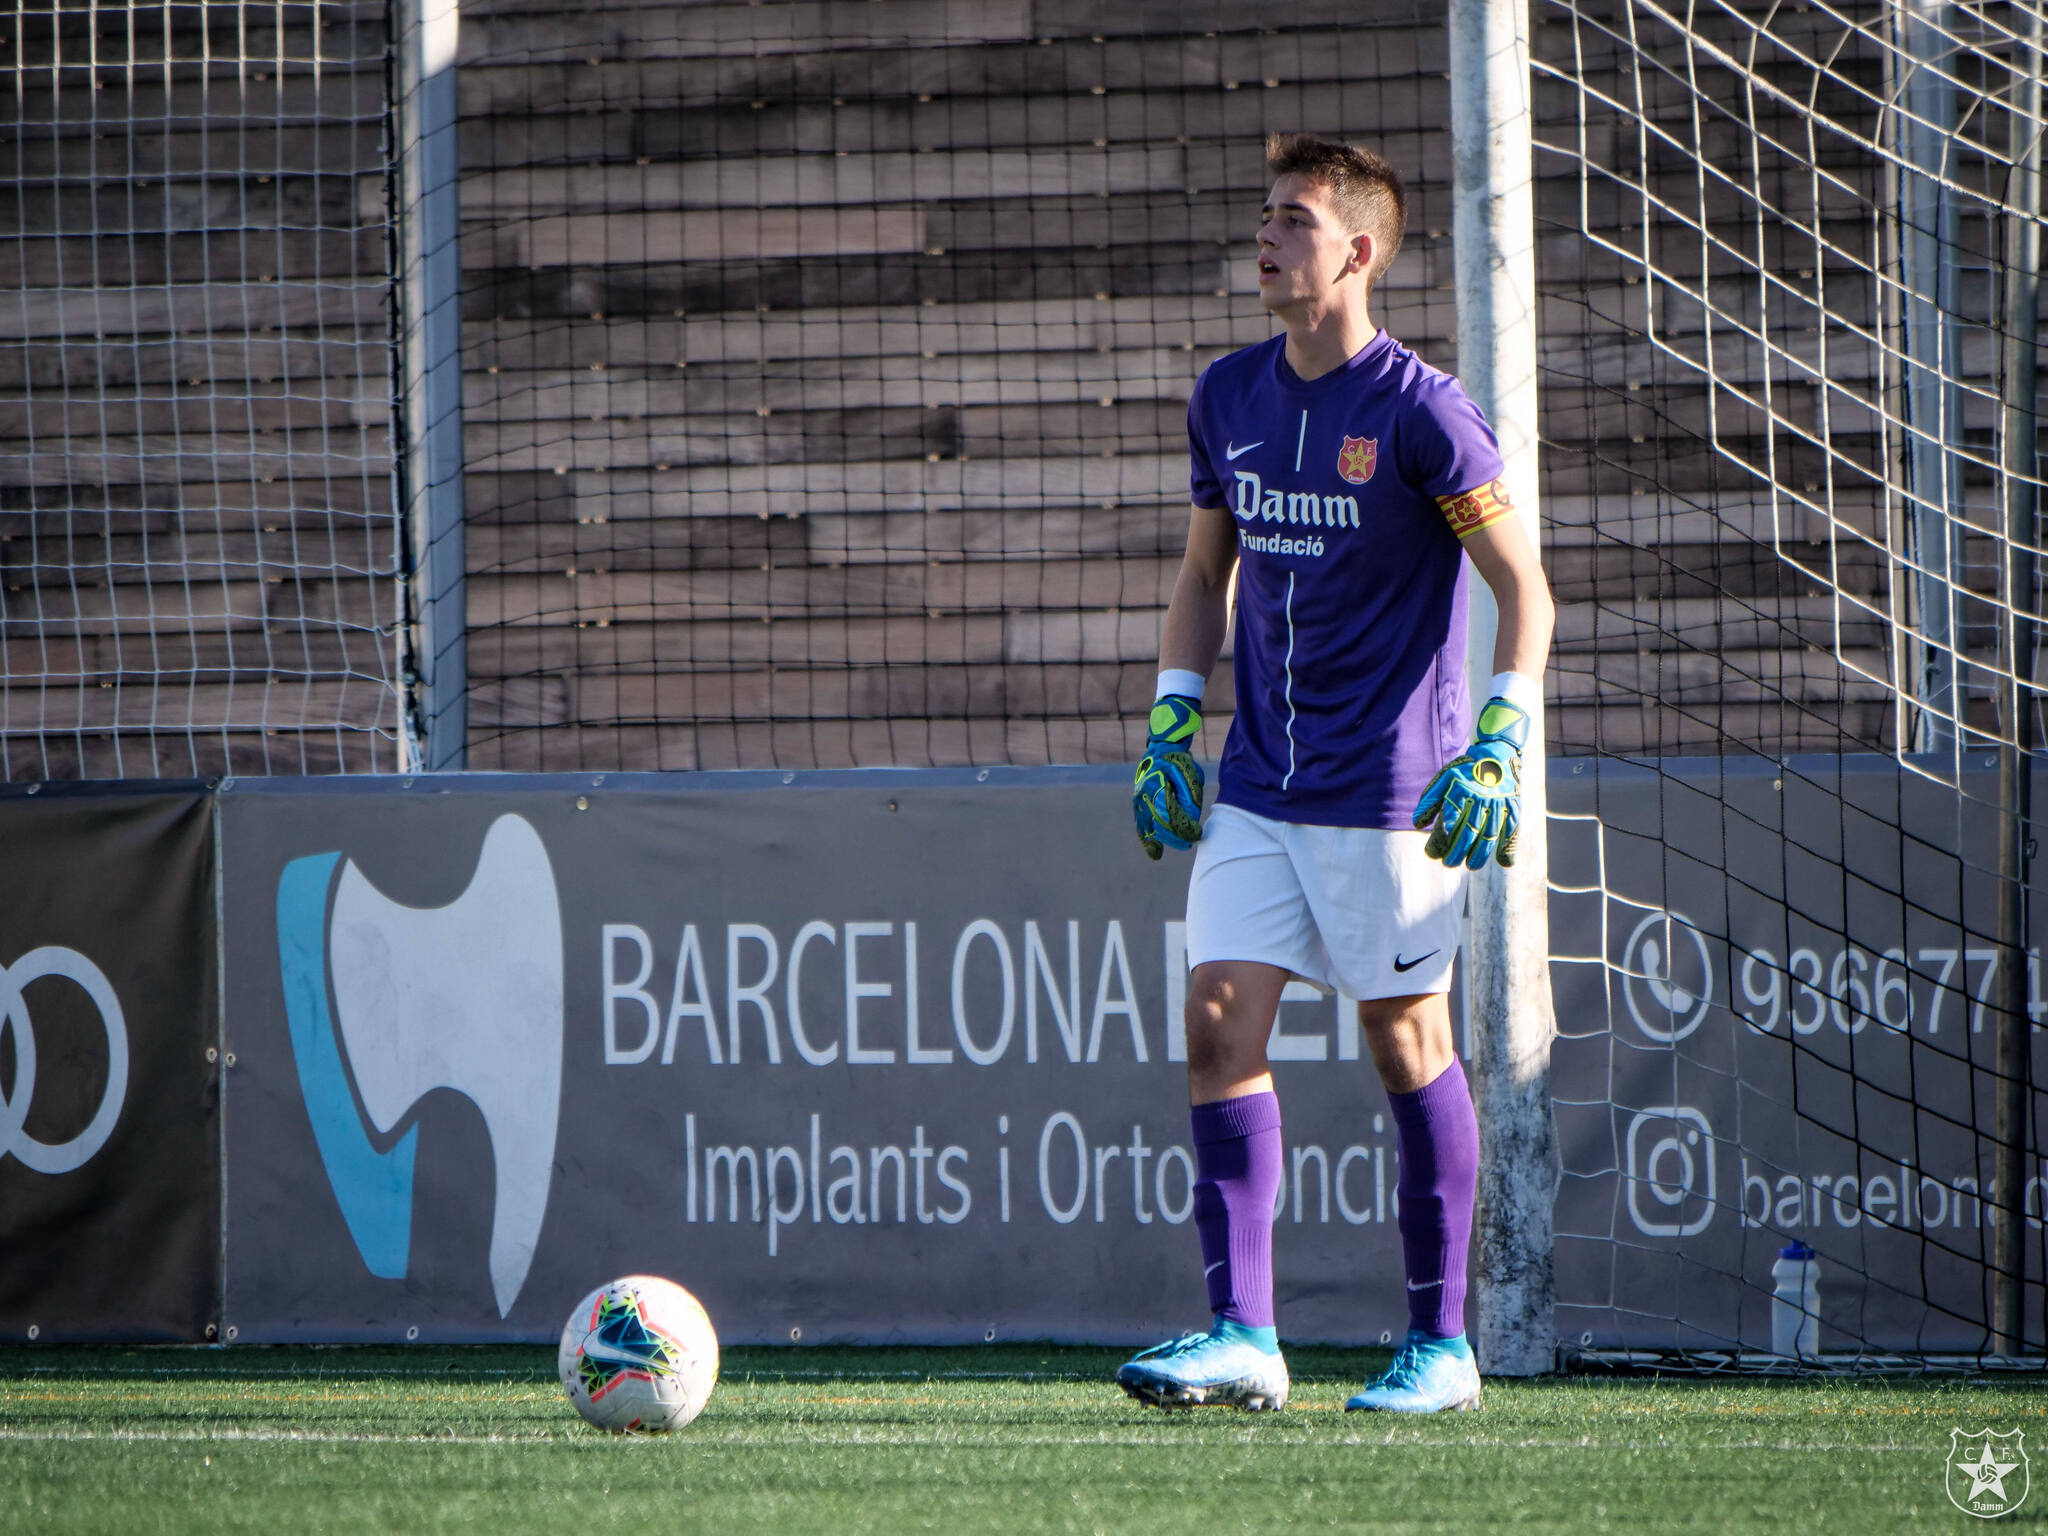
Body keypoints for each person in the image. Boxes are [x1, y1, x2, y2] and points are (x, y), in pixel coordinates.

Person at [1119, 133, 1554, 1415]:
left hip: (1389, 792)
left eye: (1292, 220)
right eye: (1264, 215)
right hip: (1257, 781)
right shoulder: (1226, 395)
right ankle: (1242, 1336)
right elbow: (1203, 574)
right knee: (1215, 1025)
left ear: (1356, 251)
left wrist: (1500, 738)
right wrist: (1170, 720)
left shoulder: (1422, 411)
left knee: (1402, 1040)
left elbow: (1524, 591)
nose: (1265, 237)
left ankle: (1441, 1350)